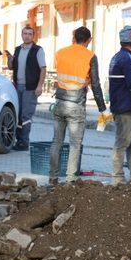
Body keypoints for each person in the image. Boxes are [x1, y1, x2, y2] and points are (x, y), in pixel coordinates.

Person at [48, 27, 107, 185]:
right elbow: (95, 84)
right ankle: (70, 179)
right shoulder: (90, 56)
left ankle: (52, 178)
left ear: (74, 37)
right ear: (89, 40)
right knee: (75, 144)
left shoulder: (60, 52)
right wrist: (102, 109)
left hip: (59, 102)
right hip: (76, 105)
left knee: (56, 142)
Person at [108, 26, 131, 184]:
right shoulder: (130, 59)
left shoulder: (117, 57)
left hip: (122, 105)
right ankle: (118, 177)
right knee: (124, 142)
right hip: (127, 106)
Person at [6, 26, 46, 151]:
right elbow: (11, 67)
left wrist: (39, 86)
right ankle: (18, 141)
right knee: (18, 114)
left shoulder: (37, 50)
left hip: (31, 87)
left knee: (26, 116)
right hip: (18, 86)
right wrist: (10, 60)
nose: (27, 36)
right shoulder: (18, 49)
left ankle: (24, 142)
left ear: (33, 36)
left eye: (29, 34)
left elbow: (43, 69)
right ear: (21, 35)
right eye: (25, 33)